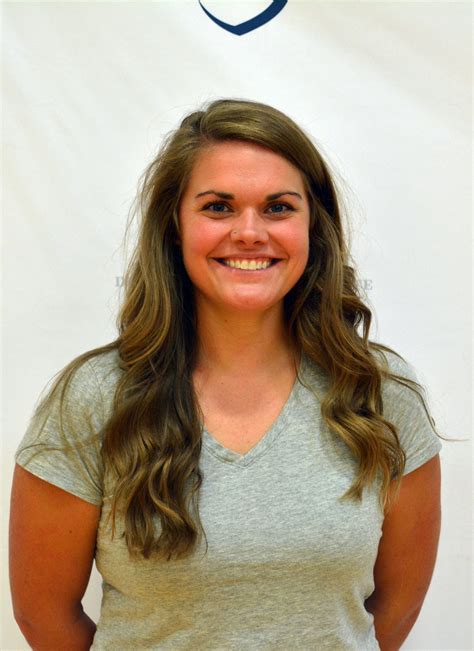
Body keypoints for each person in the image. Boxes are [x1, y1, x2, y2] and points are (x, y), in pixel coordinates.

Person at [9, 98, 443, 650]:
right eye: (218, 207)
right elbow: (43, 613)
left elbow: (396, 607)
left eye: (278, 208)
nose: (250, 232)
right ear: (175, 226)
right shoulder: (94, 397)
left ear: (313, 226)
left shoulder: (379, 394)